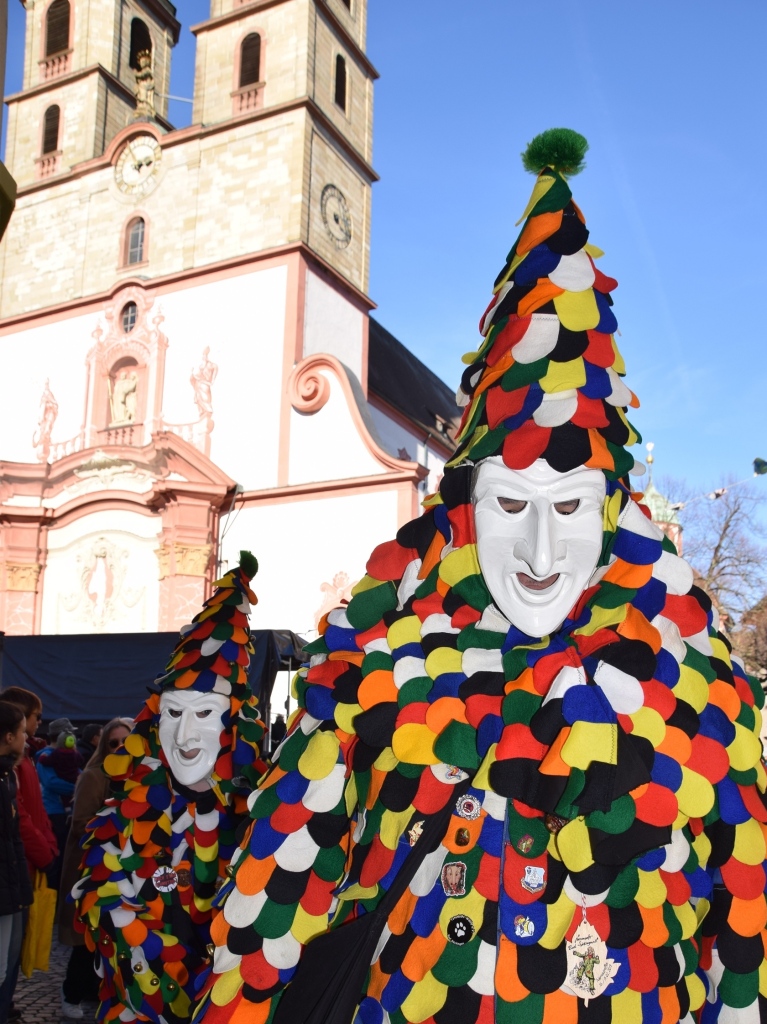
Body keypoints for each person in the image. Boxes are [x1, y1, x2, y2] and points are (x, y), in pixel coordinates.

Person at [197, 130, 767, 1024]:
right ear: (464, 513)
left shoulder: (705, 701)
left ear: (614, 515)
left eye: (569, 508)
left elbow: (744, 952)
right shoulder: (364, 678)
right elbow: (264, 923)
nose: (539, 555)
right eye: (510, 507)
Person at [74, 554, 266, 1024]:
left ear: (231, 726)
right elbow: (95, 890)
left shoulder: (259, 816)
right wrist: (140, 948)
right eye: (173, 714)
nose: (183, 737)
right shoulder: (127, 811)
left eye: (202, 714)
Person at [58, 718, 132, 1020]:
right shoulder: (94, 774)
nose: (118, 748)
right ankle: (71, 993)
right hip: (93, 871)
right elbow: (80, 823)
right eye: (112, 743)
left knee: (117, 936)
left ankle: (103, 992)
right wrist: (116, 825)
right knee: (88, 936)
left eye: (124, 742)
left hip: (126, 872)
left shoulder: (142, 774)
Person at [0, 702, 33, 1024]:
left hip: (9, 888)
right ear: (9, 736)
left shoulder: (7, 774)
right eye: (23, 731)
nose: (27, 737)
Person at [37, 721, 80, 884]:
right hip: (55, 812)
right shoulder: (45, 756)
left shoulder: (71, 755)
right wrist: (77, 787)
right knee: (59, 855)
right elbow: (50, 782)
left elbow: (80, 773)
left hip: (68, 811)